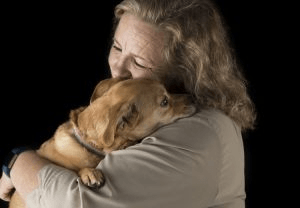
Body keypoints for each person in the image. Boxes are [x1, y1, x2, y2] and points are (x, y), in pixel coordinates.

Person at [0, 0, 256, 207]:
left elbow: (74, 203)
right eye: (117, 47)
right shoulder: (148, 117)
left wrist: (17, 162)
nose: (118, 69)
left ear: (185, 72)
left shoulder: (199, 135)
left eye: (140, 63)